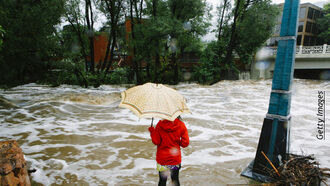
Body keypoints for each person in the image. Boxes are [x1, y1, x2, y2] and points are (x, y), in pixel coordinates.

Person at [148, 116, 189, 186]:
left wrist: (152, 131)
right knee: (175, 180)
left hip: (162, 160)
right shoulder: (181, 125)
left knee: (162, 180)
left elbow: (156, 141)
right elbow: (185, 143)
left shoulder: (160, 125)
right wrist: (177, 141)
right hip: (174, 159)